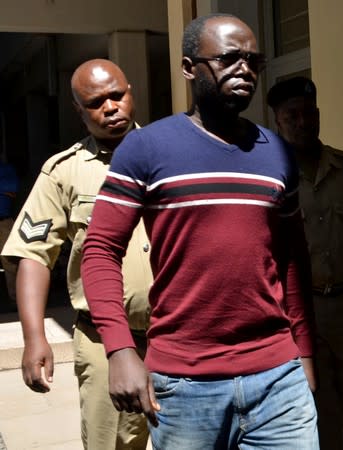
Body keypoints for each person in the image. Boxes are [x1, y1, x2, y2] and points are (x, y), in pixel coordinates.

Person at [81, 14, 319, 450]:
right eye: (229, 58)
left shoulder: (278, 153)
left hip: (278, 378)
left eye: (253, 59)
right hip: (185, 384)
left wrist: (303, 352)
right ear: (189, 68)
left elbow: (292, 259)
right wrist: (118, 348)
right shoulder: (146, 147)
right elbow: (100, 249)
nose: (244, 68)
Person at [1, 59, 153, 450]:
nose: (111, 107)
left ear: (131, 91)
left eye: (117, 95)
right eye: (96, 102)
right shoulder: (63, 172)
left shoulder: (171, 155)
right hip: (104, 345)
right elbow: (34, 255)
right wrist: (34, 338)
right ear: (79, 110)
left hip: (179, 338)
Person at [267, 76, 343, 450]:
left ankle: (326, 433)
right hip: (299, 307)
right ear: (278, 121)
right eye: (292, 116)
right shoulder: (270, 176)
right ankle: (327, 439)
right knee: (320, 395)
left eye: (309, 114)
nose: (303, 122)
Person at [0, 159, 19, 306]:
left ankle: (16, 299)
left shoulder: (6, 168)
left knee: (10, 260)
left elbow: (12, 190)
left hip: (3, 220)